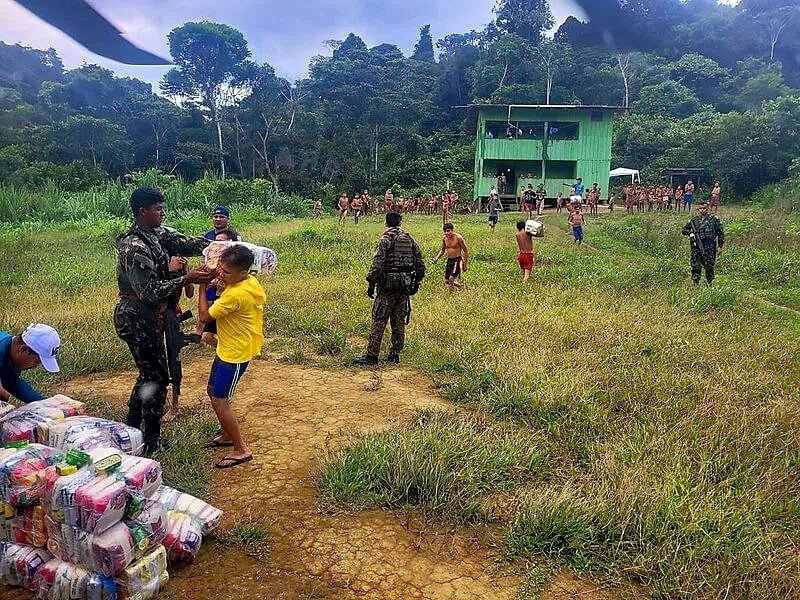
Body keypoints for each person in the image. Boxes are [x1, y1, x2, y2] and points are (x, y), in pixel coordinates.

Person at [114, 187, 213, 455]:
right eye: (158, 208)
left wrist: (223, 247)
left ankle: (131, 430)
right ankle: (150, 441)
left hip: (150, 316)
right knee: (156, 378)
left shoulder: (158, 234)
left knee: (149, 374)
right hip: (136, 316)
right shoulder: (133, 246)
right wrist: (186, 279)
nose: (163, 212)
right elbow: (147, 292)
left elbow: (189, 243)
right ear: (142, 212)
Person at [196, 244, 264, 468]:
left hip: (235, 355)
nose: (221, 274)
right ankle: (226, 435)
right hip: (226, 348)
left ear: (242, 272)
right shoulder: (248, 281)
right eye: (220, 269)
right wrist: (218, 281)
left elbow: (205, 316)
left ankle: (241, 449)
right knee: (211, 391)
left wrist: (202, 286)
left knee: (220, 400)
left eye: (226, 272)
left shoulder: (237, 294)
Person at [355, 212, 425, 366]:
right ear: (400, 222)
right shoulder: (408, 238)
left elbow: (377, 263)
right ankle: (394, 353)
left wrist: (371, 283)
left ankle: (372, 356)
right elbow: (420, 263)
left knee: (379, 319)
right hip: (404, 286)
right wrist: (416, 283)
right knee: (398, 321)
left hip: (387, 286)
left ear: (386, 223)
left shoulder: (386, 239)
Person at [0, 323, 60, 403]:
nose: (36, 366)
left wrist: (46, 404)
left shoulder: (8, 351)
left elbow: (14, 384)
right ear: (23, 349)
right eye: (37, 361)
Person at [681, 200, 724, 285]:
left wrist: (720, 246)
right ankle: (695, 283)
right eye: (700, 208)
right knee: (695, 265)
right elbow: (684, 230)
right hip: (696, 247)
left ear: (708, 208)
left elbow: (720, 233)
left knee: (709, 265)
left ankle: (709, 283)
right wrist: (691, 233)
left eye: (704, 208)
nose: (702, 210)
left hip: (709, 246)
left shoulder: (714, 219)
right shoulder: (694, 220)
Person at [433, 223, 469, 293]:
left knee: (451, 278)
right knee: (447, 281)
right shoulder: (444, 239)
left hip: (457, 260)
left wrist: (465, 264)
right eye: (445, 231)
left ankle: (451, 295)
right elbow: (443, 250)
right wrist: (436, 258)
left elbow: (465, 250)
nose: (446, 233)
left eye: (448, 231)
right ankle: (461, 286)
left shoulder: (458, 238)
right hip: (449, 260)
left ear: (452, 230)